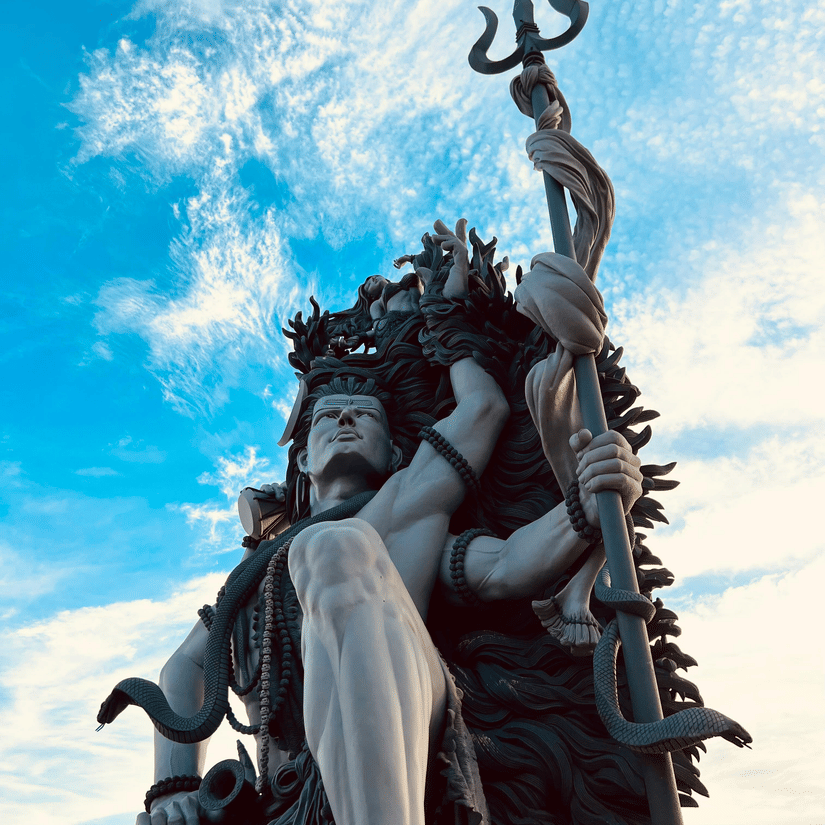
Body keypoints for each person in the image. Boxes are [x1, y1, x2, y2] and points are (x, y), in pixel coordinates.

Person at [110, 221, 643, 825]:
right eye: (328, 415)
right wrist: (173, 787)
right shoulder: (253, 585)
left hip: (416, 722)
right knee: (319, 548)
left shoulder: (411, 507)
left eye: (363, 414)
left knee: (337, 546)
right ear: (303, 459)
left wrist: (588, 502)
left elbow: (506, 554)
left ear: (395, 453)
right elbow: (183, 669)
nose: (343, 420)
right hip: (291, 792)